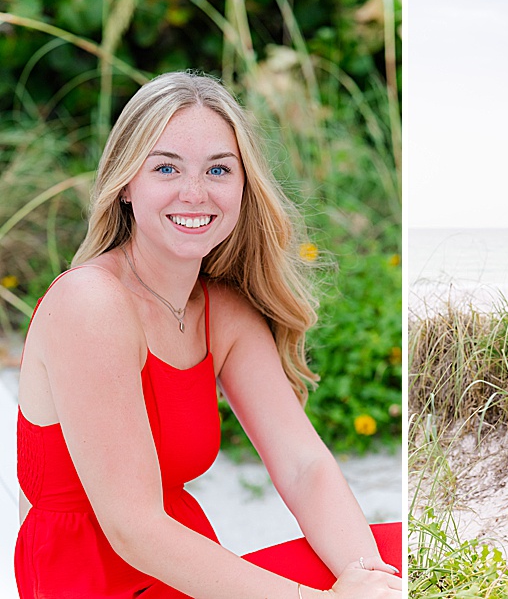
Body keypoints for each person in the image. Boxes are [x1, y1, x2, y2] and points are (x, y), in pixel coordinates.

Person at [14, 71, 402, 599]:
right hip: (101, 583)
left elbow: (303, 465)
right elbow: (135, 529)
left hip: (192, 574)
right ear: (127, 185)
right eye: (166, 167)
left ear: (244, 185)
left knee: (399, 556)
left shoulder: (223, 311)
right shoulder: (90, 302)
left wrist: (365, 577)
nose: (194, 193)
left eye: (218, 169)